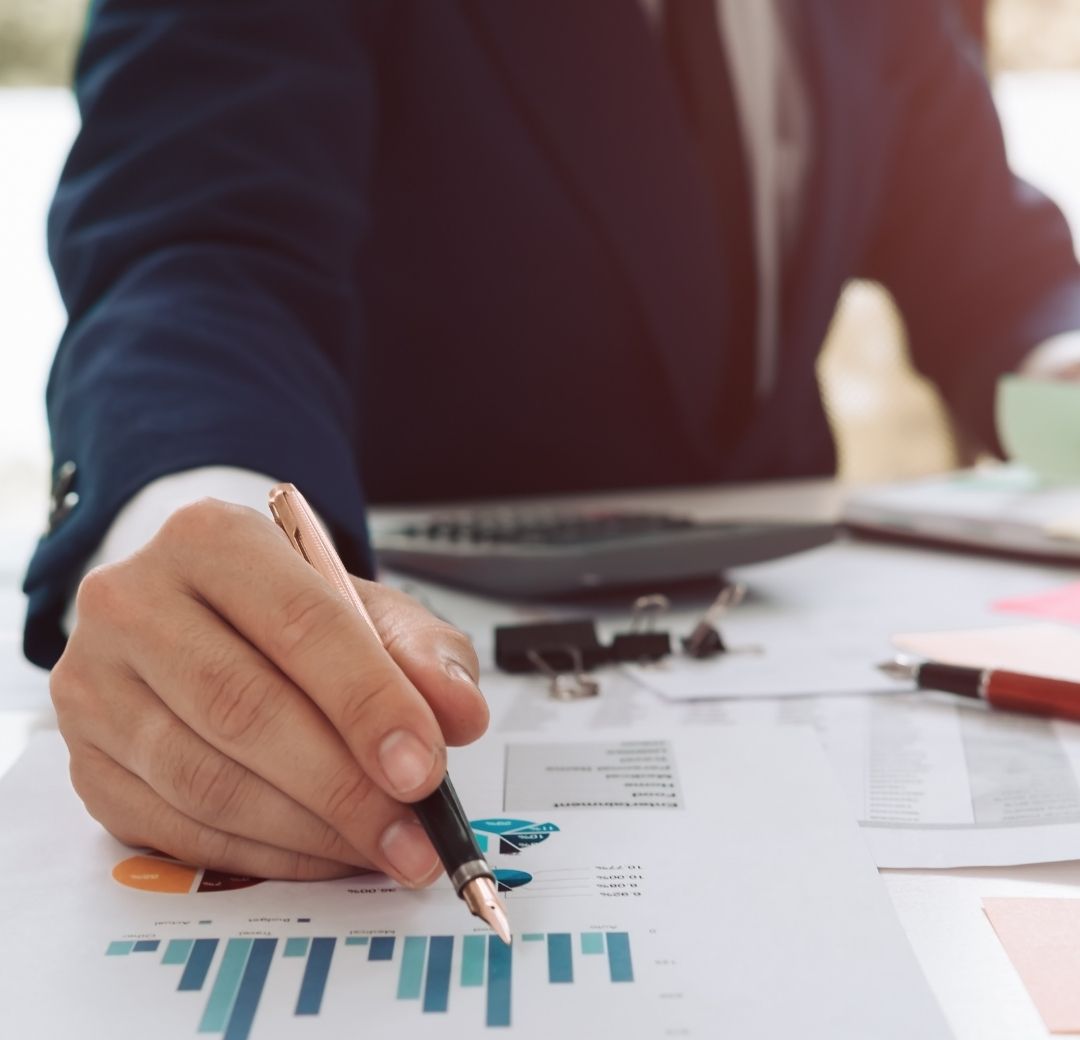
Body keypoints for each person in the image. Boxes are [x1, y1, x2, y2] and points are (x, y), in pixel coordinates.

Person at [26, 1, 1080, 886]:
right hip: (408, 645)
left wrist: (1060, 362)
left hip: (793, 648)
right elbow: (197, 243)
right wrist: (209, 529)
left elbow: (985, 255)